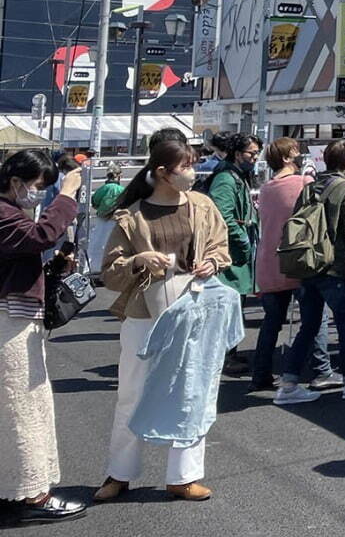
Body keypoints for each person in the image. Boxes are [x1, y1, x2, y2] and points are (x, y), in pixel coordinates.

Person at [95, 140, 232, 503]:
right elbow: (109, 272)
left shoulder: (202, 206)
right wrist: (139, 260)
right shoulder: (132, 215)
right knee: (132, 393)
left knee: (194, 390)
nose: (193, 171)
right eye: (186, 166)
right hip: (145, 311)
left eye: (193, 164)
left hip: (194, 308)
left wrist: (213, 262)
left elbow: (221, 246)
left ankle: (184, 477)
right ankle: (119, 473)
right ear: (162, 173)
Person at [0, 151, 87, 525]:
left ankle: (15, 488)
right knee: (22, 407)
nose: (38, 194)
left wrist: (52, 265)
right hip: (8, 324)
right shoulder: (3, 212)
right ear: (16, 180)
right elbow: (41, 234)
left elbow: (25, 251)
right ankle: (34, 496)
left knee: (18, 406)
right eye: (38, 187)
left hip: (15, 319)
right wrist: (67, 195)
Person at [275, 139, 345, 405]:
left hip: (308, 264)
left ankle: (289, 382)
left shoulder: (309, 188)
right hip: (336, 266)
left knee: (309, 325)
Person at [249, 138, 334, 393]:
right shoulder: (304, 184)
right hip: (300, 259)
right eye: (295, 152)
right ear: (287, 157)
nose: (299, 155)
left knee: (272, 321)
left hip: (270, 260)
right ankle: (321, 369)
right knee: (315, 318)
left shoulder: (265, 189)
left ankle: (261, 373)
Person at [208, 132, 258, 374]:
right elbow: (222, 214)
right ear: (238, 154)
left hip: (233, 253)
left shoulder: (235, 175)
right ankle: (225, 356)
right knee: (228, 307)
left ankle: (229, 354)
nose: (255, 157)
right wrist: (243, 241)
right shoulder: (227, 179)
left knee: (233, 306)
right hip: (229, 255)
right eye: (251, 153)